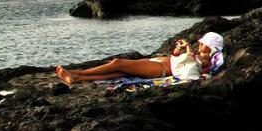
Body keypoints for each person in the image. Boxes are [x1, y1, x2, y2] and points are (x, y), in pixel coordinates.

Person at [56, 33, 224, 84]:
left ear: (209, 46)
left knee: (117, 63)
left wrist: (187, 48)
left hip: (161, 69)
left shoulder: (207, 59)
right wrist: (179, 49)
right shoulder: (199, 53)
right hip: (159, 64)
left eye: (203, 42)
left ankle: (78, 73)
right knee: (118, 72)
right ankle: (77, 78)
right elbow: (177, 57)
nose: (199, 43)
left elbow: (191, 64)